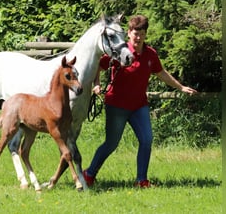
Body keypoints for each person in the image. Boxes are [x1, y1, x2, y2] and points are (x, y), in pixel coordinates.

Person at [83, 15, 197, 188]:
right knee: (111, 143)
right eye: (135, 33)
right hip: (116, 105)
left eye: (141, 34)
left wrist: (180, 87)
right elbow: (99, 65)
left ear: (145, 34)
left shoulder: (150, 54)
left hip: (139, 106)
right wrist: (96, 83)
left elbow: (161, 73)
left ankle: (141, 180)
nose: (138, 37)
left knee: (146, 140)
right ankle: (89, 174)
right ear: (128, 33)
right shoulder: (118, 50)